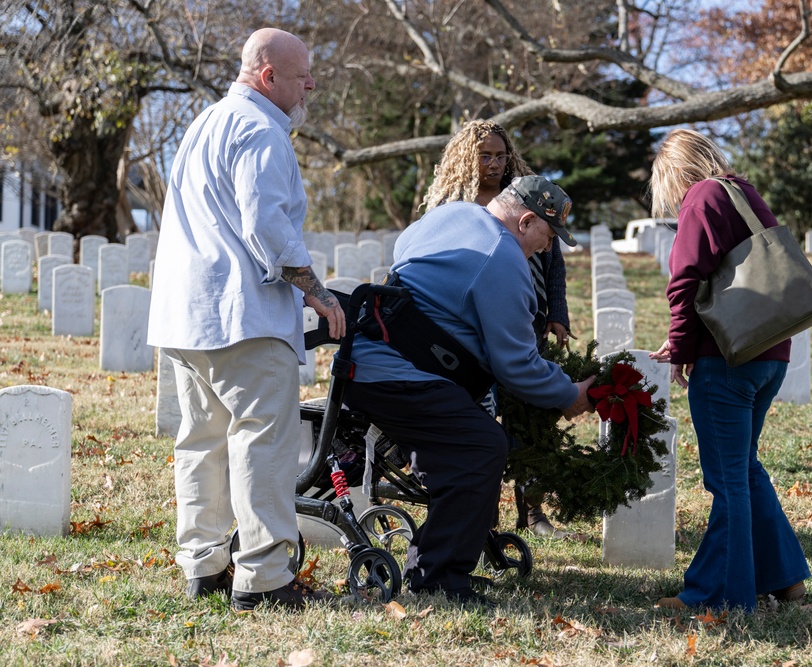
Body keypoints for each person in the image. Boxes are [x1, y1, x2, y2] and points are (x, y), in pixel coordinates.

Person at [148, 28, 346, 612]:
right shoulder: (262, 130)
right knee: (263, 442)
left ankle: (203, 565)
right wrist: (316, 292)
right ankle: (263, 578)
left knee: (201, 443)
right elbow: (266, 224)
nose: (310, 84)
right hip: (244, 315)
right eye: (302, 74)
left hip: (188, 315)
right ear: (267, 77)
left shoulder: (206, 122)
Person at [342, 175, 595, 604]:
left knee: (465, 437)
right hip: (398, 374)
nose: (548, 248)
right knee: (482, 446)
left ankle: (438, 556)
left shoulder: (450, 213)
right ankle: (437, 577)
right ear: (527, 220)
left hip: (365, 360)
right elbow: (515, 364)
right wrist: (570, 394)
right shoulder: (503, 255)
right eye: (549, 236)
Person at [648, 129, 810, 612]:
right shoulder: (744, 192)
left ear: (674, 172)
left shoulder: (700, 200)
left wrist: (680, 348)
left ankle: (715, 594)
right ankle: (785, 577)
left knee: (727, 479)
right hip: (771, 352)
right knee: (744, 468)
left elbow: (685, 282)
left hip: (728, 361)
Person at [423, 120, 573, 538]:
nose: (493, 163)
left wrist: (557, 312)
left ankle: (533, 511)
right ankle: (483, 513)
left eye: (500, 155)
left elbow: (552, 261)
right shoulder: (455, 204)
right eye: (484, 155)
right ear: (467, 157)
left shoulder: (527, 198)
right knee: (479, 416)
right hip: (474, 326)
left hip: (529, 317)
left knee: (529, 417)